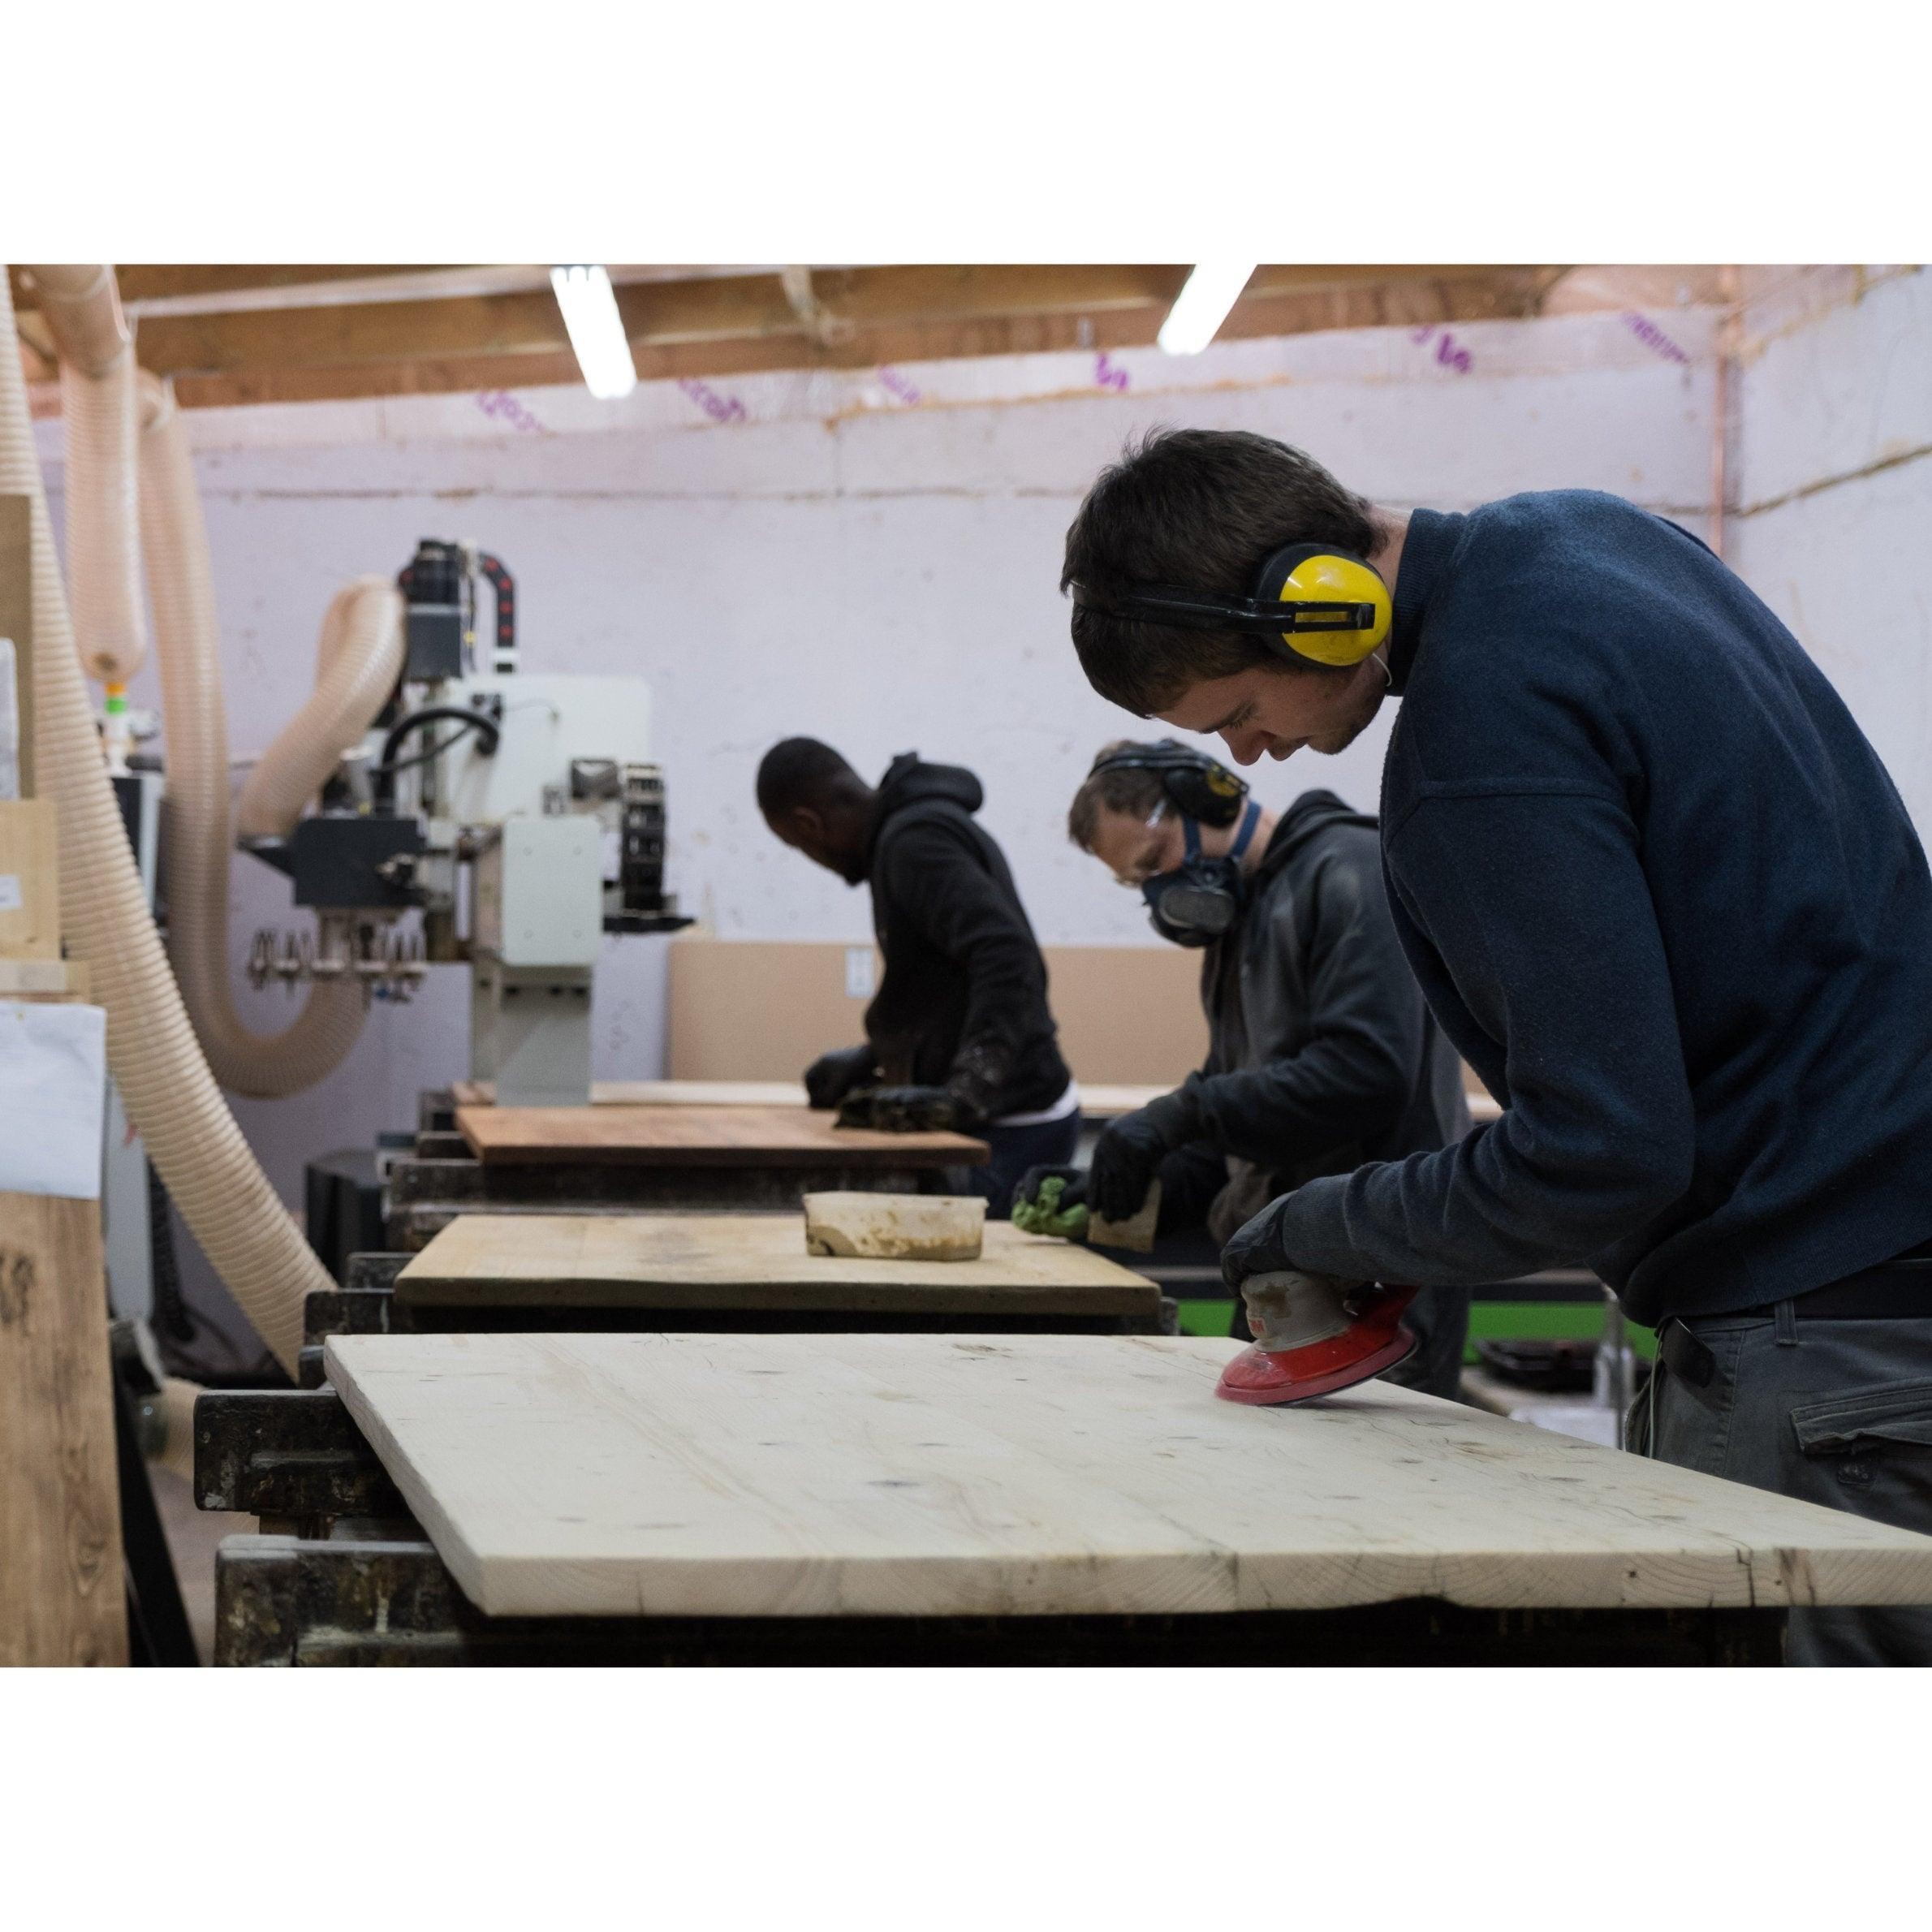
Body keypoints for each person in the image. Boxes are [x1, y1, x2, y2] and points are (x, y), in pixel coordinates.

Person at [1060, 426, 1932, 1666]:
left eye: (1241, 712)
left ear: (1320, 608)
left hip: (1818, 1344)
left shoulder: (1477, 741)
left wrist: (1329, 1224)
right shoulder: (1594, 536)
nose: (1249, 755)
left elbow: (1603, 1153)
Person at [1029, 739, 1471, 1398]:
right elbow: (1246, 1129)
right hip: (1290, 1267)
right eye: (1139, 882)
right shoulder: (1242, 924)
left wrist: (1177, 1115)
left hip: (1386, 1270)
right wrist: (1128, 1187)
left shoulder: (1348, 870)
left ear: (1207, 797)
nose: (1160, 895)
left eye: (1156, 861)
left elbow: (1364, 1074)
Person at [756, 738, 1078, 1210]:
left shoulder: (913, 843)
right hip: (1004, 1119)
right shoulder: (907, 836)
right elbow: (944, 986)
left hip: (1010, 1128)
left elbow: (1005, 953)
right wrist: (875, 1056)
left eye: (799, 844)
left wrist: (969, 1087)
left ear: (810, 824)